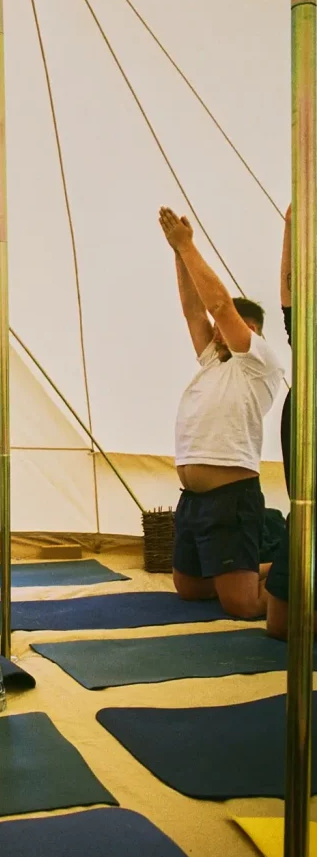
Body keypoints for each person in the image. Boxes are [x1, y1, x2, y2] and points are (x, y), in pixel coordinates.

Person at [159, 206, 283, 618]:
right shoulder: (215, 360)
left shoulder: (258, 362)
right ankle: (269, 569)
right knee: (191, 589)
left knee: (242, 606)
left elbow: (219, 307)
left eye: (225, 328)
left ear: (253, 332)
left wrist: (187, 246)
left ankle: (288, 582)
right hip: (194, 502)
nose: (215, 333)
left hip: (231, 499)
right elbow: (194, 311)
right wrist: (177, 255)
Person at [263, 204, 312, 639]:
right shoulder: (307, 324)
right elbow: (289, 294)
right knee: (280, 628)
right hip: (303, 417)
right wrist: (291, 226)